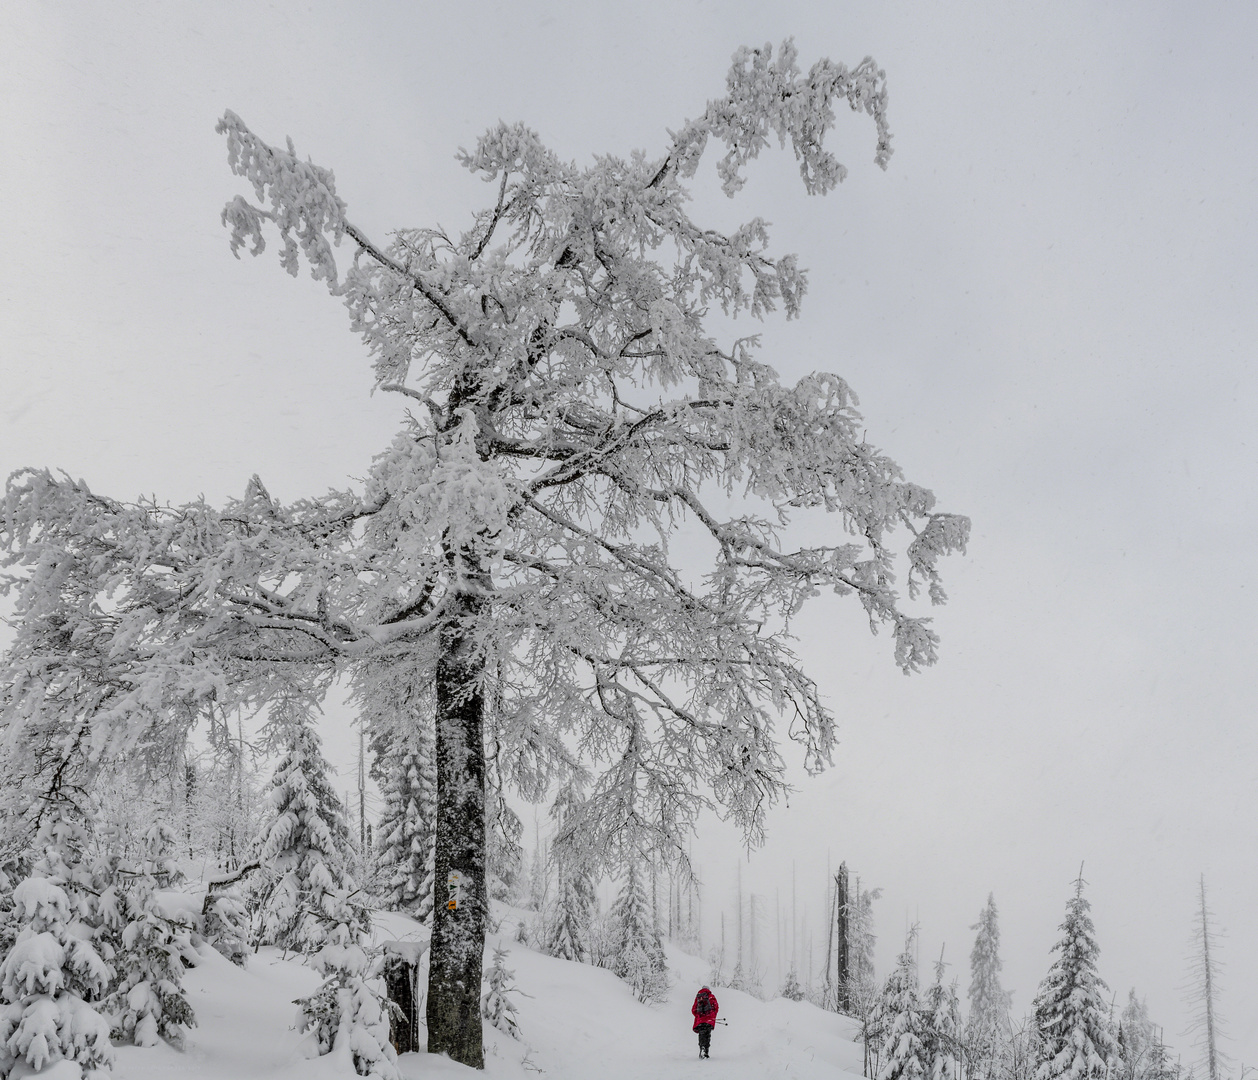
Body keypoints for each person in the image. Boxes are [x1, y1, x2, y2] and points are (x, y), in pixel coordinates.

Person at [691, 985, 719, 1058]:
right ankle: (706, 1051)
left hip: (700, 1021)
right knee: (707, 1035)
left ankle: (702, 1048)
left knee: (701, 1035)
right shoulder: (711, 996)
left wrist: (698, 1016)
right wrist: (712, 1015)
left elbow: (693, 1009)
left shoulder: (698, 997)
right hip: (709, 1020)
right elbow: (716, 1007)